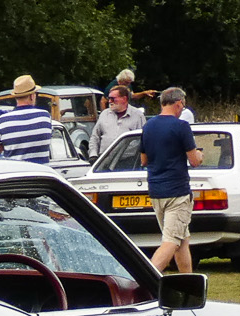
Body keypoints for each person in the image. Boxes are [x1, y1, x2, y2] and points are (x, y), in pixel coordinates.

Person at [141, 87, 202, 272]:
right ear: (179, 103)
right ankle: (146, 280)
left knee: (182, 240)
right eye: (183, 105)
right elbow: (194, 161)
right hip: (177, 192)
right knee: (171, 241)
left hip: (156, 191)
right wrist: (200, 155)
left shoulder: (148, 126)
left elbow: (144, 160)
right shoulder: (181, 126)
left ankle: (189, 284)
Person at [0, 76, 54, 161]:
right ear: (32, 96)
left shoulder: (3, 120)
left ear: (15, 97)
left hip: (15, 169)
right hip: (40, 169)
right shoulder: (45, 116)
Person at [86, 83, 144, 160]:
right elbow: (95, 137)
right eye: (109, 98)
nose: (110, 101)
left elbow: (144, 139)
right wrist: (93, 155)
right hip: (104, 159)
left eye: (113, 99)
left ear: (124, 99)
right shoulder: (104, 114)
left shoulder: (138, 115)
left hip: (128, 159)